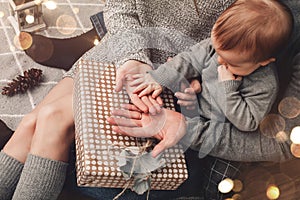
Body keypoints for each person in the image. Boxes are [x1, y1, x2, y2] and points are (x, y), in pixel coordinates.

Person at [0, 0, 299, 200]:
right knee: (32, 121)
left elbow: (280, 138)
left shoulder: (260, 38)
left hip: (172, 95)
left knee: (52, 122)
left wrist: (193, 112)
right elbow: (121, 8)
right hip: (135, 59)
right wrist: (132, 58)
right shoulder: (214, 48)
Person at [124, 0, 293, 157]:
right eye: (217, 52)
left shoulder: (265, 85)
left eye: (230, 62)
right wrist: (160, 77)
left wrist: (229, 87)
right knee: (137, 109)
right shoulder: (220, 46)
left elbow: (247, 123)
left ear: (264, 62)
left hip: (212, 125)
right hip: (190, 102)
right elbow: (189, 59)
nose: (219, 61)